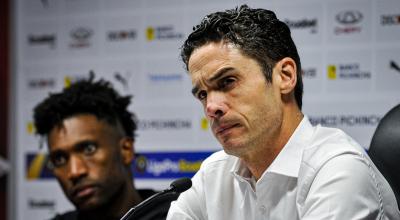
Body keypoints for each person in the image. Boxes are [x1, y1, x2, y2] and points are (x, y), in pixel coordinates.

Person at [167, 5, 400, 220]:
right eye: (202, 95)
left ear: (285, 76)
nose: (211, 107)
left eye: (227, 81)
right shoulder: (214, 173)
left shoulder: (339, 171)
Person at [33, 75, 177, 220]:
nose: (74, 172)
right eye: (60, 159)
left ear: (126, 150)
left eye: (88, 149)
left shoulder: (181, 215)